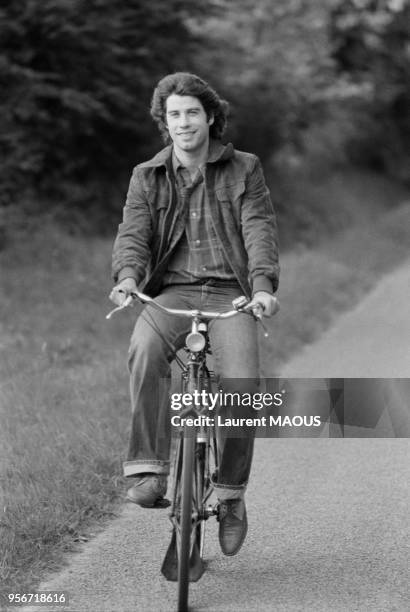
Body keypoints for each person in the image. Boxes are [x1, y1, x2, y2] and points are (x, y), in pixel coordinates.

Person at [109, 72, 279, 556]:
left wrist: (263, 287)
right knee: (143, 349)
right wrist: (127, 278)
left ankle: (229, 496)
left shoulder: (244, 168)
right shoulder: (147, 175)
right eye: (174, 115)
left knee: (244, 386)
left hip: (232, 295)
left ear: (209, 117)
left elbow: (259, 230)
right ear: (165, 123)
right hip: (173, 295)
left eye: (191, 113)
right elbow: (134, 234)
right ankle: (148, 468)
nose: (183, 122)